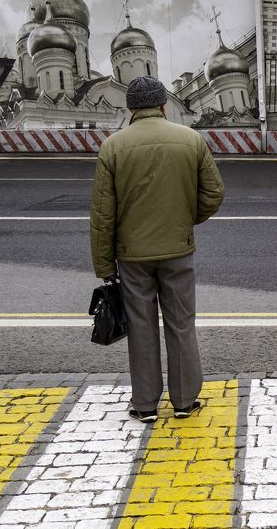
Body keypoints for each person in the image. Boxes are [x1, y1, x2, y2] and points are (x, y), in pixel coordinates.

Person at [89, 76, 225, 423]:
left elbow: (103, 214)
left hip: (132, 256)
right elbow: (213, 194)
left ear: (130, 107)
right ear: (163, 105)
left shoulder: (113, 147)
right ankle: (184, 402)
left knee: (141, 326)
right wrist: (183, 220)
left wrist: (105, 265)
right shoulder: (191, 139)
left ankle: (146, 404)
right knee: (181, 324)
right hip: (178, 249)